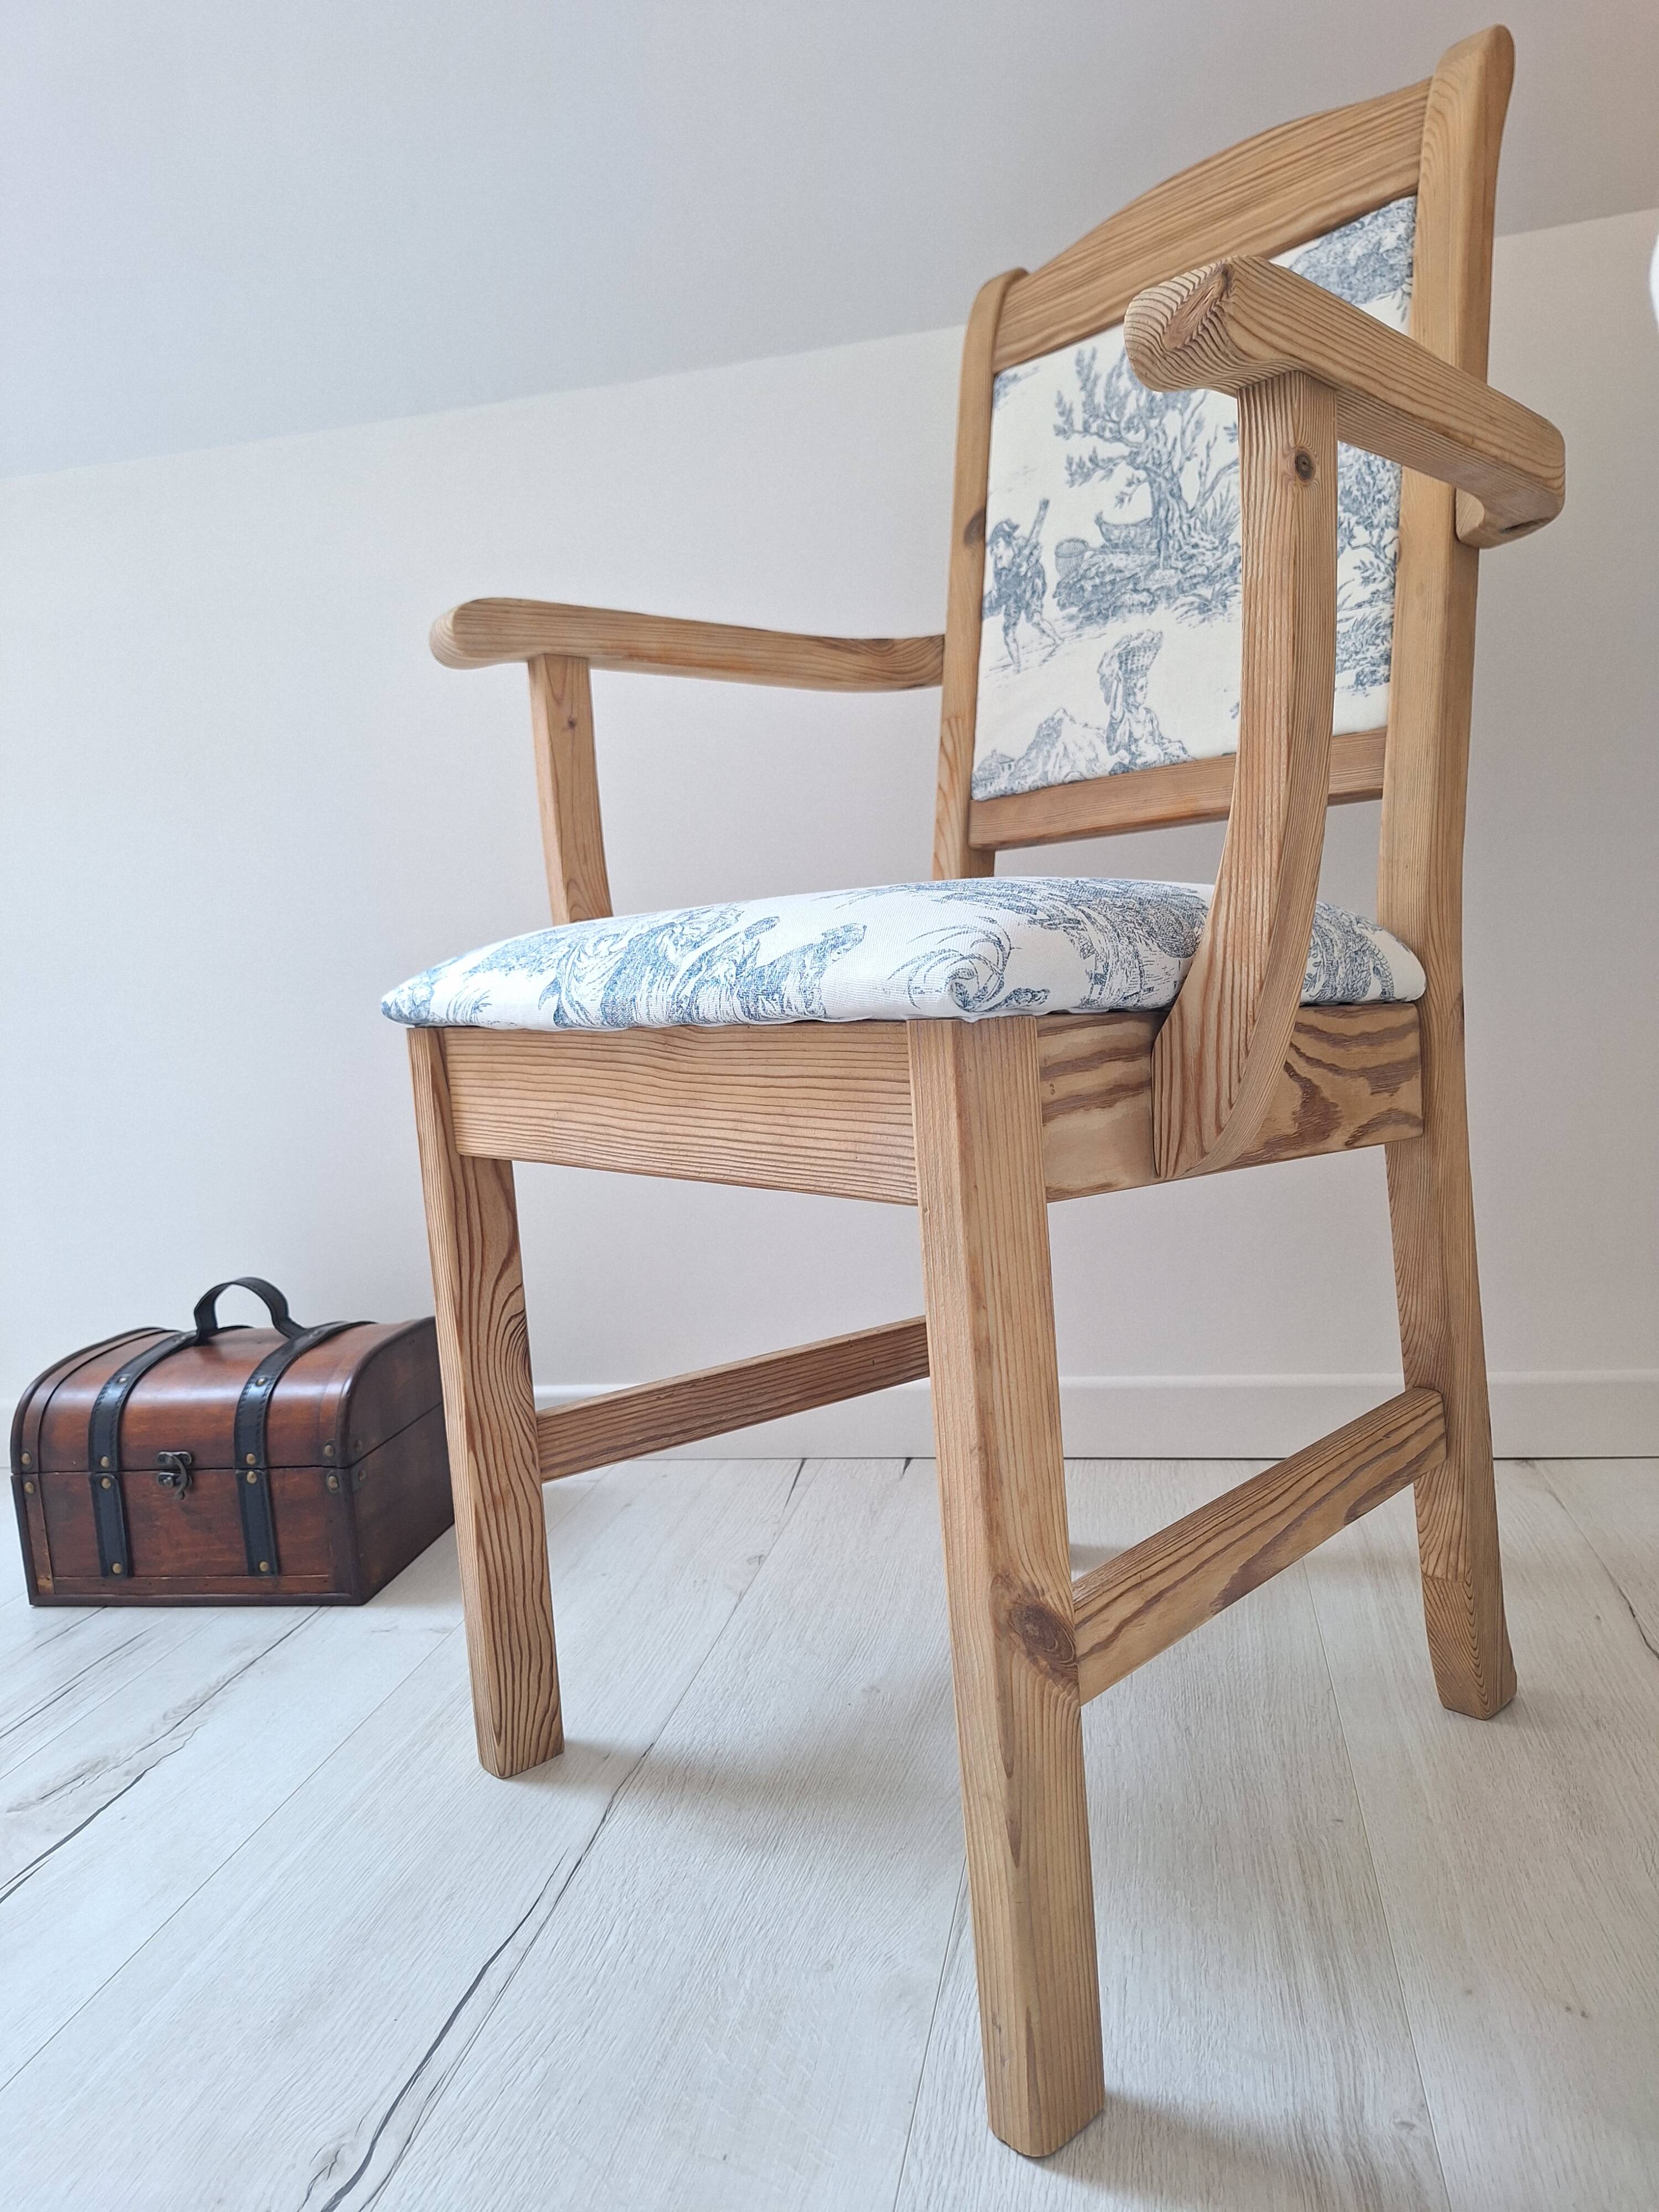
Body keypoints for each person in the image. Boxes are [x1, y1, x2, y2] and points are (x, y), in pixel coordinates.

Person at [983, 499, 1061, 671]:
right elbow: (1001, 588)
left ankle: (1058, 641)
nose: (995, 552)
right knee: (1008, 631)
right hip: (1013, 596)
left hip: (1031, 587)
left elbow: (1037, 548)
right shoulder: (999, 567)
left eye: (997, 546)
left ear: (1006, 542)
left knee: (1035, 620)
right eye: (993, 549)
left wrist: (1028, 565)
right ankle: (1018, 666)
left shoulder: (1020, 545)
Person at [1097, 629, 1178, 767]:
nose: (1145, 692)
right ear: (1129, 691)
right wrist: (1119, 679)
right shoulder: (1125, 718)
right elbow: (1115, 714)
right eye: (1141, 688)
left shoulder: (1149, 715)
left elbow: (1158, 740)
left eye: (1146, 687)